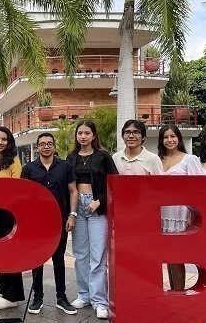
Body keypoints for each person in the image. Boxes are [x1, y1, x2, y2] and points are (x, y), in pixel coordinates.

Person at [66, 120, 118, 320]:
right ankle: (84, 295)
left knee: (98, 257)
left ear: (94, 136)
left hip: (97, 208)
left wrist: (99, 201)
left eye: (87, 133)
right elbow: (68, 186)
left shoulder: (103, 157)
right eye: (80, 133)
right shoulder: (71, 158)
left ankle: (100, 301)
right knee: (80, 255)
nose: (83, 136)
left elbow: (115, 184)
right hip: (77, 208)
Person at [21, 132, 78, 315]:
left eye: (49, 143)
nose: (46, 146)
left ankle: (61, 298)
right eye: (42, 144)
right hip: (36, 223)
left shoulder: (65, 166)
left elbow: (73, 191)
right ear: (37, 147)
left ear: (54, 146)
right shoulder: (29, 168)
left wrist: (72, 215)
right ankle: (38, 298)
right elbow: (23, 195)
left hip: (60, 220)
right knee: (37, 260)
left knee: (58, 259)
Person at [157, 124, 204, 291]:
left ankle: (179, 293)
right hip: (160, 213)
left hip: (180, 213)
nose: (169, 140)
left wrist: (195, 215)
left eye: (172, 136)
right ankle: (173, 293)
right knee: (166, 256)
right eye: (165, 137)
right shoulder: (157, 160)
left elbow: (199, 189)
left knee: (177, 256)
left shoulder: (189, 159)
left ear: (179, 138)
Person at [0, 127, 25, 310]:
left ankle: (13, 295)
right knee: (1, 249)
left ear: (9, 142)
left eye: (4, 139)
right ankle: (3, 289)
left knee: (11, 250)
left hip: (10, 211)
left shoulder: (14, 162)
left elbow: (17, 188)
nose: (0, 142)